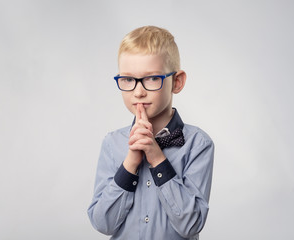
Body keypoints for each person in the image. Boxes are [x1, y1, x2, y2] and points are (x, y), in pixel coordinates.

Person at [87, 26, 214, 240]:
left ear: (177, 81)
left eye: (152, 78)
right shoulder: (112, 143)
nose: (138, 91)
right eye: (128, 79)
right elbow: (102, 223)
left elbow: (192, 224)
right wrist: (130, 164)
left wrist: (157, 159)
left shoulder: (198, 144)